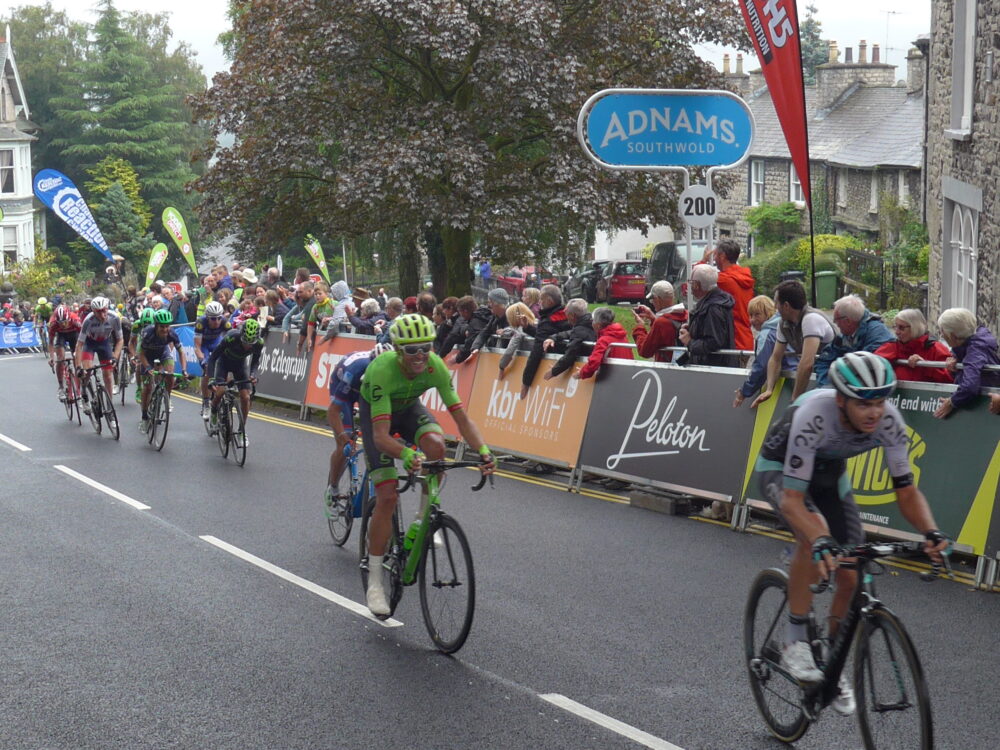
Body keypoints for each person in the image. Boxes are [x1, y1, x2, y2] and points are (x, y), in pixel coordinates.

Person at [753, 351, 948, 713]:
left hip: (829, 475)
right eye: (863, 404)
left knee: (850, 571)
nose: (874, 412)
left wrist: (931, 532)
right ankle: (794, 640)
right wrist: (819, 538)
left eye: (880, 401)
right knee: (815, 533)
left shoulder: (889, 422)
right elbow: (794, 501)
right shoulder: (815, 415)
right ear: (841, 399)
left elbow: (905, 491)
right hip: (780, 472)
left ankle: (828, 655)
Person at [358, 314, 494, 615]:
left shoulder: (435, 365)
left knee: (436, 445)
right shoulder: (381, 370)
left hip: (408, 409)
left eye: (426, 347)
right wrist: (406, 455)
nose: (420, 355)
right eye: (411, 350)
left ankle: (423, 518)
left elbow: (461, 417)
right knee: (388, 495)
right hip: (377, 417)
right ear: (397, 349)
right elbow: (381, 437)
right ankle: (376, 582)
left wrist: (483, 450)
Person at [324, 342, 394, 514]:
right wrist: (342, 436)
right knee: (345, 444)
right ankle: (332, 488)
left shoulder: (392, 373)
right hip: (344, 388)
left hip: (367, 393)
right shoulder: (355, 369)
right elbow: (334, 410)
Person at [751, 280, 836, 408]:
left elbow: (807, 363)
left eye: (776, 303)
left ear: (786, 305)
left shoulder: (811, 319)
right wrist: (769, 388)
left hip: (833, 375)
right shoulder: (783, 324)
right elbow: (775, 358)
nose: (775, 307)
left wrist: (795, 400)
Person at [933, 308, 1000, 419]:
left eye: (942, 331)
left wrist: (952, 402)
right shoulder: (968, 346)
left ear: (952, 336)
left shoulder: (975, 351)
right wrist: (955, 369)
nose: (941, 335)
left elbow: (970, 387)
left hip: (988, 410)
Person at [734, 295, 800, 408]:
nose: (752, 320)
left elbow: (761, 365)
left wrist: (745, 391)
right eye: (750, 315)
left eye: (757, 314)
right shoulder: (786, 325)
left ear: (768, 313)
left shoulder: (767, 334)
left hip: (787, 383)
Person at [207, 319, 265, 447]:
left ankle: (241, 431)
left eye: (251, 343)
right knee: (220, 391)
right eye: (245, 342)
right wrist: (212, 379)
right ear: (241, 335)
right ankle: (214, 410)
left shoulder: (259, 343)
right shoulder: (231, 337)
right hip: (224, 363)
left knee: (245, 397)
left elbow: (255, 362)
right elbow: (212, 358)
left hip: (240, 365)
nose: (247, 346)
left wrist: (253, 374)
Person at [814, 295, 894, 385]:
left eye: (836, 320)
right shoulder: (843, 337)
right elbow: (824, 360)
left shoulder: (877, 333)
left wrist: (842, 386)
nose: (835, 323)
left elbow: (866, 366)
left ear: (848, 321)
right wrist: (827, 386)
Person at [137, 309, 189, 433]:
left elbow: (181, 353)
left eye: (167, 326)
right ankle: (144, 417)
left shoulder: (171, 334)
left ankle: (167, 397)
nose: (165, 330)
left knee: (170, 374)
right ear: (155, 325)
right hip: (147, 356)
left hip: (163, 353)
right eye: (162, 327)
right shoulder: (147, 333)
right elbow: (141, 354)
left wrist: (184, 370)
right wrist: (148, 368)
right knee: (148, 387)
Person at [676, 264, 737, 367]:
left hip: (712, 369)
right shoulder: (719, 302)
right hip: (718, 365)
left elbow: (714, 342)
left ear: (696, 285)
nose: (690, 286)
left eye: (690, 282)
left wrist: (690, 342)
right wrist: (693, 328)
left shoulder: (713, 308)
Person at [873, 309, 953, 384]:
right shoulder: (893, 347)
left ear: (915, 327)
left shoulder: (935, 348)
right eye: (895, 327)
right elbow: (870, 364)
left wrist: (925, 365)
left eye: (901, 328)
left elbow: (951, 379)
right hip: (897, 398)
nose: (897, 332)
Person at [519, 284, 570, 398]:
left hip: (555, 369)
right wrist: (528, 328)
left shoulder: (548, 320)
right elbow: (545, 335)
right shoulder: (567, 314)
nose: (539, 302)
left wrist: (526, 382)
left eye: (541, 299)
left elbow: (537, 350)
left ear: (550, 301)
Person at [75, 296, 123, 414]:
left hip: (104, 343)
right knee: (87, 370)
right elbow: (79, 345)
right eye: (99, 311)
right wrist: (78, 367)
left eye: (104, 310)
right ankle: (84, 393)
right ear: (93, 311)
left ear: (107, 308)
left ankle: (109, 407)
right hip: (89, 344)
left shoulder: (114, 317)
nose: (103, 314)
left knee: (107, 374)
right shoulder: (88, 321)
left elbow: (120, 340)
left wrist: (115, 357)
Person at [713, 239, 756, 354]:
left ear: (722, 256)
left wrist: (702, 261)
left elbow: (699, 282)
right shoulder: (744, 276)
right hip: (745, 339)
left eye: (715, 254)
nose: (713, 258)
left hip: (732, 341)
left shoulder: (723, 280)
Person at [631, 280, 687, 362]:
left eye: (652, 299)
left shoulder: (660, 323)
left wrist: (640, 327)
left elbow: (644, 351)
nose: (652, 302)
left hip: (666, 369)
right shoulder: (686, 315)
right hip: (684, 365)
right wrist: (653, 318)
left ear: (657, 299)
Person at [194, 301, 232, 420]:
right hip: (204, 345)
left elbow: (229, 344)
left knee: (226, 363)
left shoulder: (226, 324)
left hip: (216, 342)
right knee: (207, 371)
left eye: (219, 318)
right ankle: (206, 403)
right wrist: (203, 360)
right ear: (207, 317)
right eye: (213, 319)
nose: (216, 321)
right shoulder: (201, 323)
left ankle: (223, 393)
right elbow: (197, 347)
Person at [575, 306, 634, 380]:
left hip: (613, 377)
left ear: (598, 325)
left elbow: (594, 362)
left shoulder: (604, 340)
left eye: (592, 321)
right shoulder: (623, 337)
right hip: (628, 374)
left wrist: (581, 373)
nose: (591, 323)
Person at [543, 298, 596, 378]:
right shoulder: (590, 323)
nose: (566, 318)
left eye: (566, 314)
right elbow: (571, 332)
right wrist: (554, 337)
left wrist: (553, 371)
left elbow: (570, 355)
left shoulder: (579, 330)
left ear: (572, 316)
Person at [458, 287, 510, 363]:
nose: (488, 305)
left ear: (496, 303)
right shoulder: (495, 317)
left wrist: (507, 331)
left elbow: (519, 331)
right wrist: (475, 348)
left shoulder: (511, 315)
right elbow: (484, 332)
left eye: (490, 302)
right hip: (499, 358)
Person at [49, 304, 82, 399]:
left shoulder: (75, 319)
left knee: (77, 359)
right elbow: (51, 342)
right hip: (61, 336)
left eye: (65, 322)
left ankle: (79, 388)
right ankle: (61, 387)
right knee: (60, 359)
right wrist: (52, 358)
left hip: (74, 334)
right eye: (60, 322)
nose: (63, 325)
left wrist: (80, 353)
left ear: (69, 318)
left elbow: (82, 337)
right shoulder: (53, 323)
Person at [497, 302, 536, 378]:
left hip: (525, 364)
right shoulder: (535, 324)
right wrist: (504, 331)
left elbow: (510, 350)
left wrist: (502, 366)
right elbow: (512, 329)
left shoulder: (518, 332)